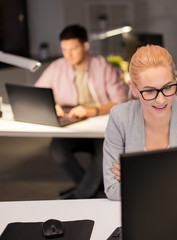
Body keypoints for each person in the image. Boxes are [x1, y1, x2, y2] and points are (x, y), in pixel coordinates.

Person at [103, 45, 177, 200]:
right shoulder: (120, 117)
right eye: (150, 91)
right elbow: (113, 189)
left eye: (167, 87)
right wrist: (176, 178)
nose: (161, 100)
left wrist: (138, 176)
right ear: (133, 89)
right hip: (135, 214)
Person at [35, 24, 128, 199]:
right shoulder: (57, 67)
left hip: (101, 129)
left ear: (85, 46)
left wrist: (94, 110)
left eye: (73, 49)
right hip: (74, 126)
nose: (68, 55)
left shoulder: (103, 66)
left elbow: (122, 101)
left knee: (104, 152)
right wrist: (51, 105)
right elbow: (38, 93)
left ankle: (79, 196)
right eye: (64, 49)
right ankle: (90, 190)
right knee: (57, 149)